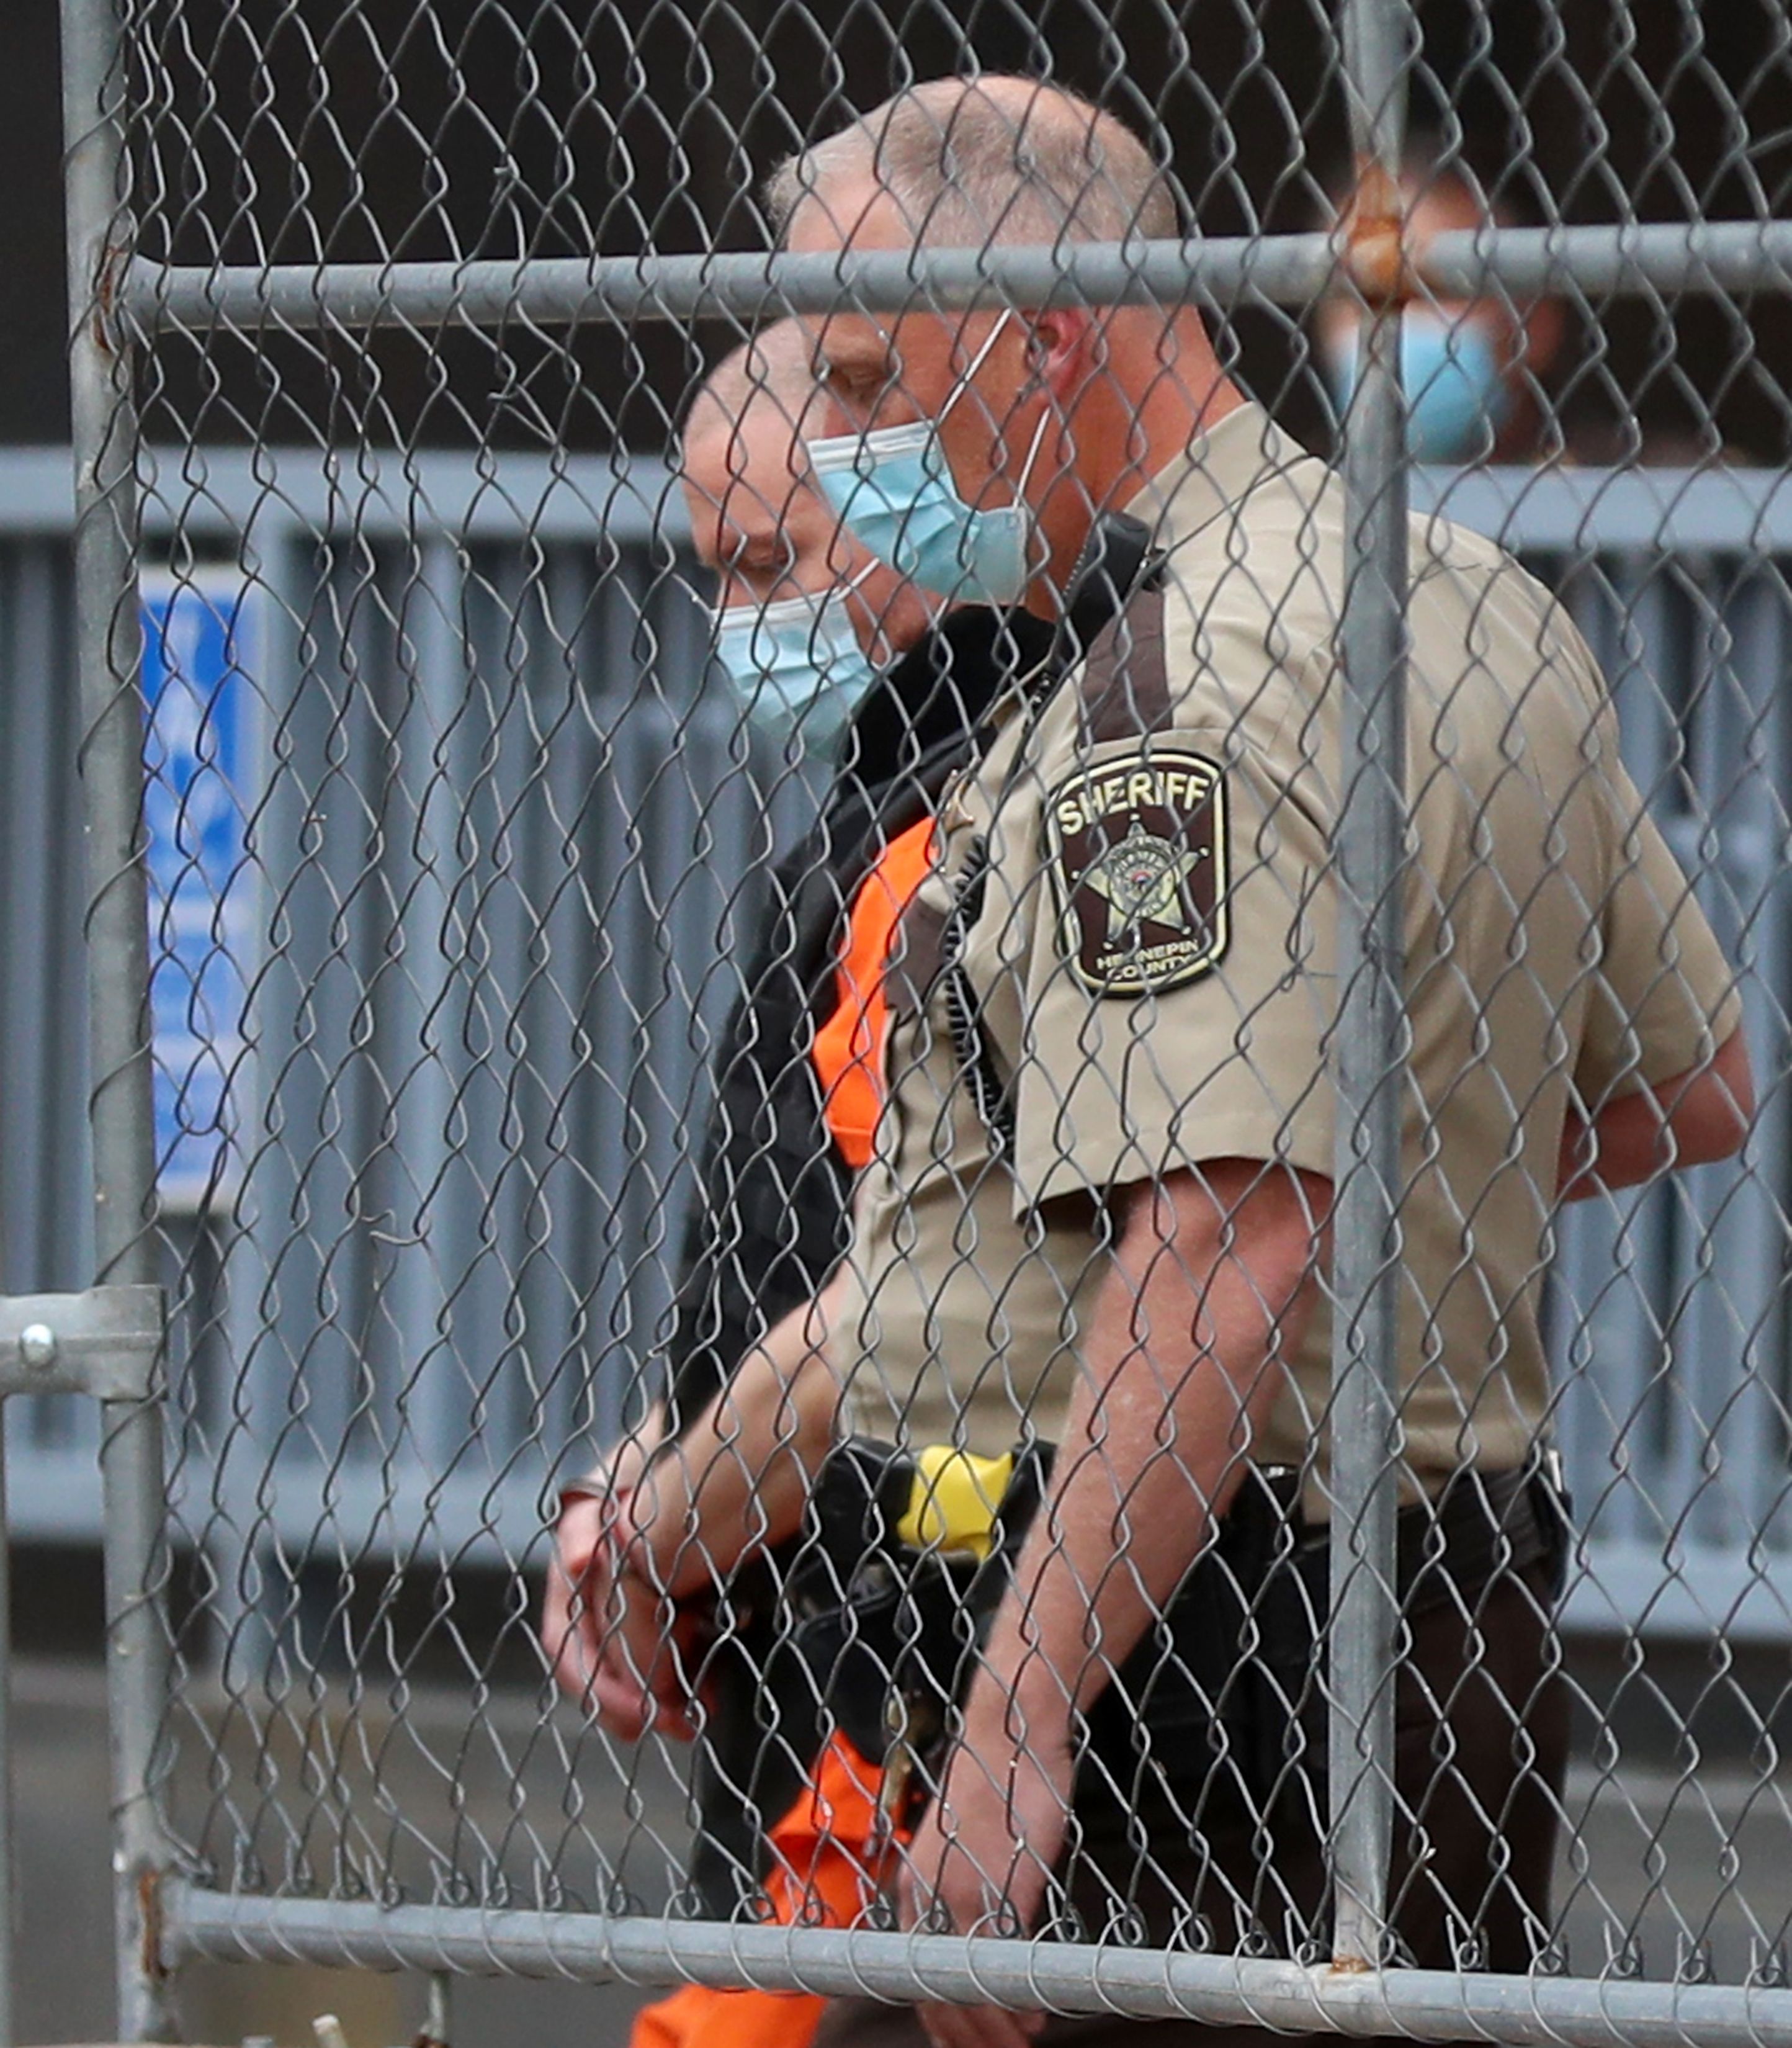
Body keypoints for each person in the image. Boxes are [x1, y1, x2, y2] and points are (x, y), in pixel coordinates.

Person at [563, 79, 1754, 2048]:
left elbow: (1216, 1230)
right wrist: (1377, 1176)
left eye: (868, 376)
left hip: (1173, 1662)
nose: (846, 445)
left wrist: (1015, 1722)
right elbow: (1686, 1079)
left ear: (1043, 340)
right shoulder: (1462, 600)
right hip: (1440, 1615)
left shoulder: (1160, 681)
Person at [542, 323, 1052, 2048]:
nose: (739, 615)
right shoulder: (876, 795)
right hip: (831, 1663)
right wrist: (646, 1459)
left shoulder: (969, 818)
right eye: (715, 569)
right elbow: (805, 1243)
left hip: (905, 1692)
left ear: (910, 496)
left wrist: (658, 1529)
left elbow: (900, 1303)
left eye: (769, 561)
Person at [1315, 139, 1566, 465]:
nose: (1389, 326)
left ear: (1534, 325)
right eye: (1361, 298)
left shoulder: (1610, 491)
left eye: (1428, 294)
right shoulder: (1299, 500)